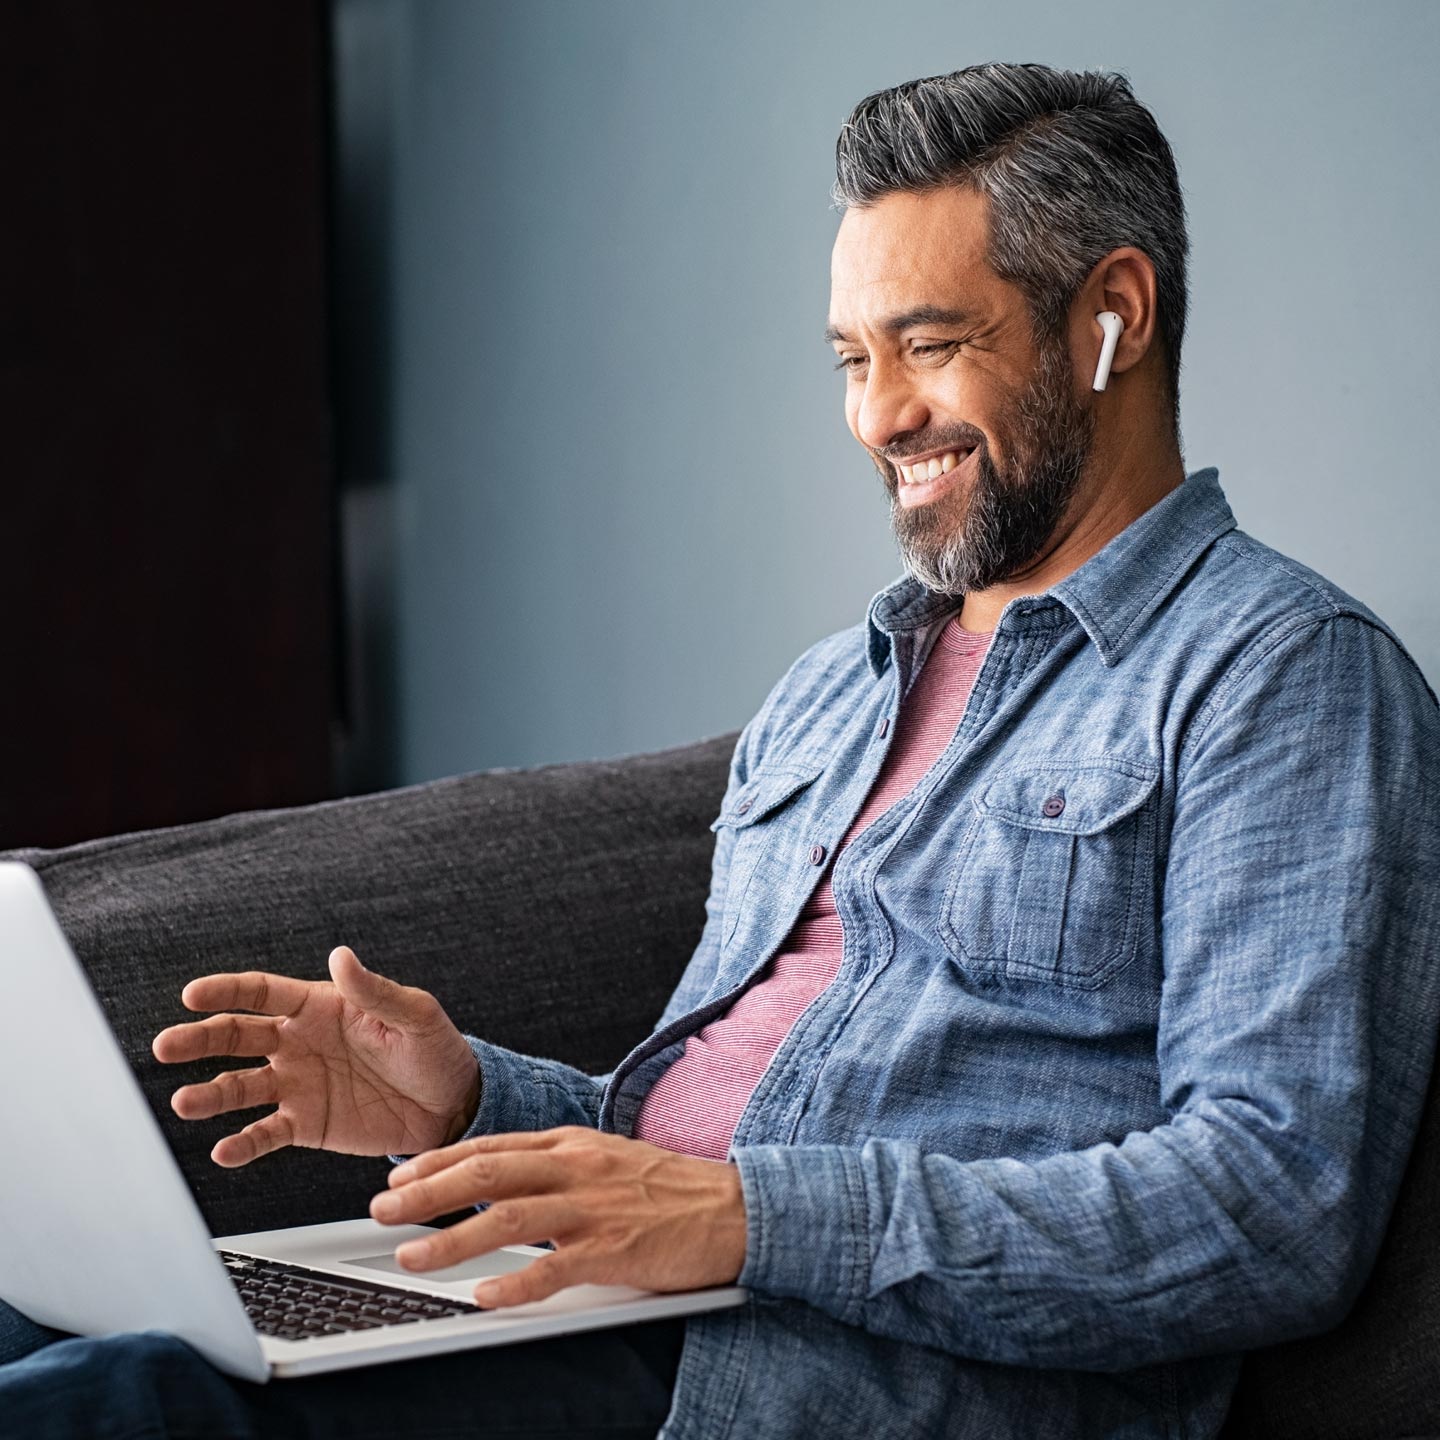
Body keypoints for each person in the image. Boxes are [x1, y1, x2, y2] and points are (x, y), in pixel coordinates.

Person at [2, 60, 1438, 1440]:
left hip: (840, 1380)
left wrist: (748, 1219)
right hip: (617, 1307)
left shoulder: (1283, 680)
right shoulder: (834, 692)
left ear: (1111, 315)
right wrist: (470, 1100)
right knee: (33, 1334)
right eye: (851, 359)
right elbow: (696, 1141)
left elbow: (1270, 1203)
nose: (878, 417)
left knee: (128, 1403)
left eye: (932, 345)